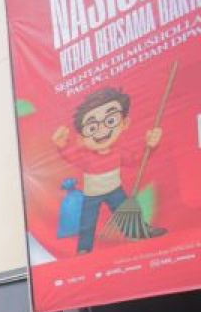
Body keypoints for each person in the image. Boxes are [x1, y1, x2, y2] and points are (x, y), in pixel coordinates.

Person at [52, 87, 166, 253]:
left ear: (124, 123)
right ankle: (84, 248)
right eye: (92, 127)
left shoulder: (119, 152)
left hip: (115, 190)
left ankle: (140, 232)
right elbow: (69, 156)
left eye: (110, 121)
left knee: (128, 214)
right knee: (87, 222)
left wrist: (150, 146)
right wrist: (62, 146)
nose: (102, 130)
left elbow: (136, 160)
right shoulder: (84, 156)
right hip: (92, 195)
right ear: (81, 138)